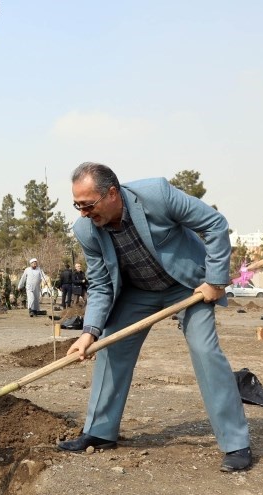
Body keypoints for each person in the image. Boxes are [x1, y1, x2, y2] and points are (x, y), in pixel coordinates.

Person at [58, 162, 252, 473]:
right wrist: (89, 332)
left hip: (188, 286)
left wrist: (215, 280)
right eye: (77, 205)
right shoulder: (86, 230)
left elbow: (215, 224)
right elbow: (101, 283)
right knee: (110, 347)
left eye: (87, 205)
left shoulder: (157, 195)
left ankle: (236, 443)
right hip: (137, 292)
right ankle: (100, 431)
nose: (83, 213)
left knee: (205, 351)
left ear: (111, 193)